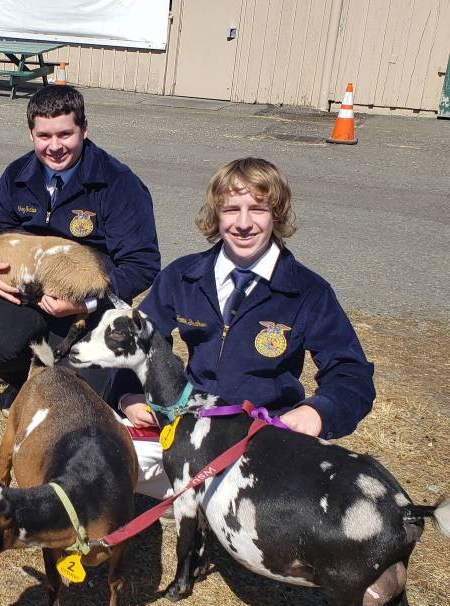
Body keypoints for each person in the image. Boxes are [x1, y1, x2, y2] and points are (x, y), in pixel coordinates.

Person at [110, 157, 375, 498]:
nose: (244, 223)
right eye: (232, 209)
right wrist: (128, 395)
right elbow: (137, 344)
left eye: (259, 209)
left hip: (263, 438)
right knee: (101, 462)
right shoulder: (183, 276)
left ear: (276, 215)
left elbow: (351, 373)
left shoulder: (307, 291)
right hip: (189, 428)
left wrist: (318, 412)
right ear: (216, 215)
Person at [0, 85, 161, 413]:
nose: (54, 147)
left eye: (65, 134)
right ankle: (25, 378)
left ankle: (63, 373)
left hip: (90, 302)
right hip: (27, 294)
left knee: (77, 404)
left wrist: (87, 299)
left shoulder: (120, 184)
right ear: (31, 134)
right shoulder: (16, 177)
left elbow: (142, 264)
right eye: (44, 136)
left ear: (84, 129)